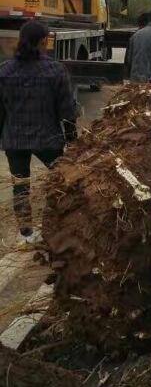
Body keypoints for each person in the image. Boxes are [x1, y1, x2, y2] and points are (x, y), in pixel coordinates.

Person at [0, 21, 78, 238]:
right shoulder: (55, 70)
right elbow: (67, 111)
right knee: (63, 181)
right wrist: (73, 141)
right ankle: (58, 227)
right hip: (48, 140)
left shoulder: (4, 70)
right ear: (44, 41)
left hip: (14, 141)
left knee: (21, 188)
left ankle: (26, 235)